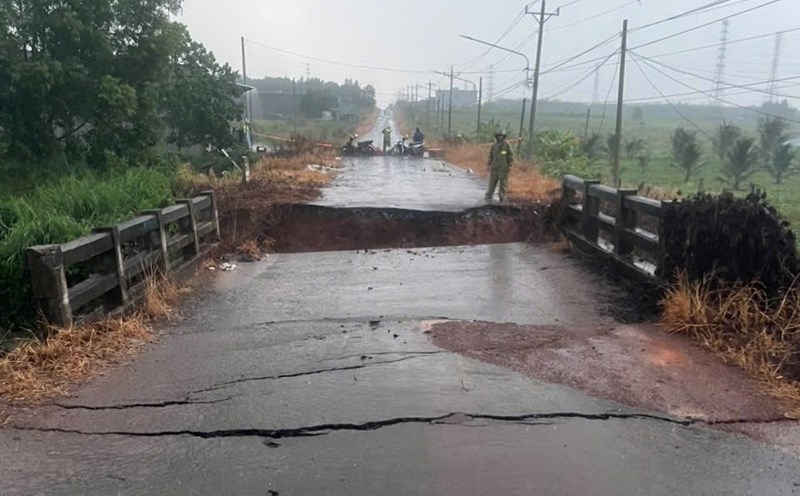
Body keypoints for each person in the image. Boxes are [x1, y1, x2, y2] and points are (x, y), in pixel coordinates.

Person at [485, 129, 513, 203]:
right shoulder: (494, 145)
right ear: (496, 136)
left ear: (503, 136)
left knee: (503, 184)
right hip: (495, 167)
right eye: (498, 136)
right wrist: (488, 164)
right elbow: (491, 156)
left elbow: (510, 156)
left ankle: (502, 197)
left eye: (501, 136)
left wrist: (510, 166)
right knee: (492, 182)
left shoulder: (507, 145)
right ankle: (489, 195)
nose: (500, 137)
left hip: (503, 168)